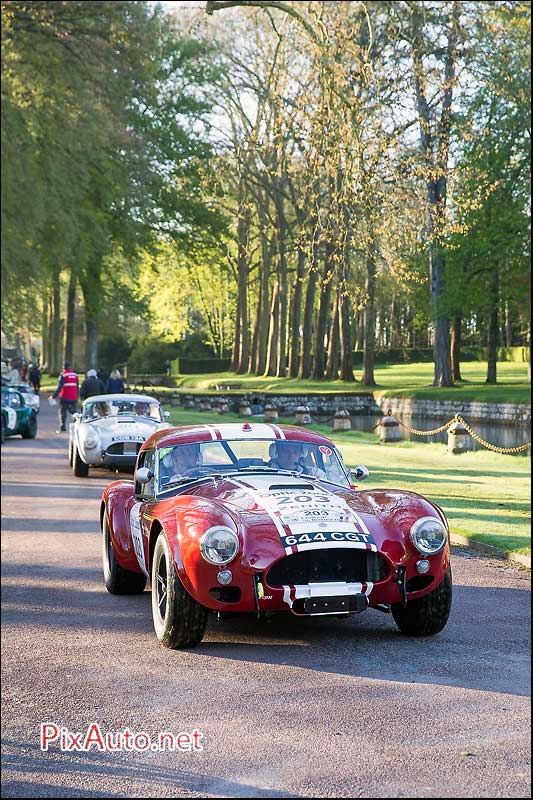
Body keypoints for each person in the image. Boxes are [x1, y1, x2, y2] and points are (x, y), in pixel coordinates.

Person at [51, 362, 79, 433]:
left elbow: (60, 387)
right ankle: (77, 427)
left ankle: (62, 428)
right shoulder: (75, 375)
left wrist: (54, 395)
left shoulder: (63, 375)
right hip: (73, 397)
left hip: (64, 397)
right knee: (74, 413)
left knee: (63, 412)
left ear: (64, 368)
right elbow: (77, 386)